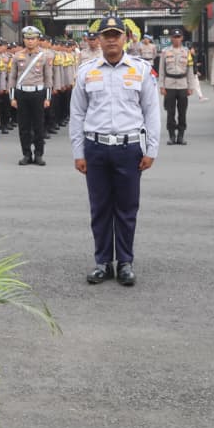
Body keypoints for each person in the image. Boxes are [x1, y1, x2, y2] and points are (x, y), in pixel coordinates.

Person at [70, 15, 159, 287]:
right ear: (98, 39)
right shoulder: (86, 71)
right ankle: (102, 262)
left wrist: (151, 149)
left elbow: (151, 111)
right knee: (100, 208)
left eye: (115, 35)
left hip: (128, 147)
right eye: (106, 35)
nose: (111, 40)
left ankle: (125, 262)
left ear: (125, 38)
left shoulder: (141, 70)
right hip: (96, 147)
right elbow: (77, 113)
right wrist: (78, 152)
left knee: (126, 208)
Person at [9, 25, 53, 166]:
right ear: (24, 40)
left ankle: (39, 154)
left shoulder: (44, 56)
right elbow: (12, 77)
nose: (30, 41)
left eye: (33, 38)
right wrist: (12, 97)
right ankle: (26, 154)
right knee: (24, 127)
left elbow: (48, 77)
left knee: (39, 126)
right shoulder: (17, 56)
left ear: (38, 40)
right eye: (27, 38)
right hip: (21, 94)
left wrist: (47, 97)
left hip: (38, 93)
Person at [157, 28, 197, 145]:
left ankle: (181, 136)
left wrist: (191, 86)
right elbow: (161, 70)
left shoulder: (187, 52)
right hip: (169, 84)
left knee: (182, 112)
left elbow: (190, 70)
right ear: (171, 38)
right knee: (170, 112)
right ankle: (171, 136)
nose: (176, 39)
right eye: (174, 37)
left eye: (178, 37)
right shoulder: (165, 52)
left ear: (182, 38)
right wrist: (161, 86)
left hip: (183, 84)